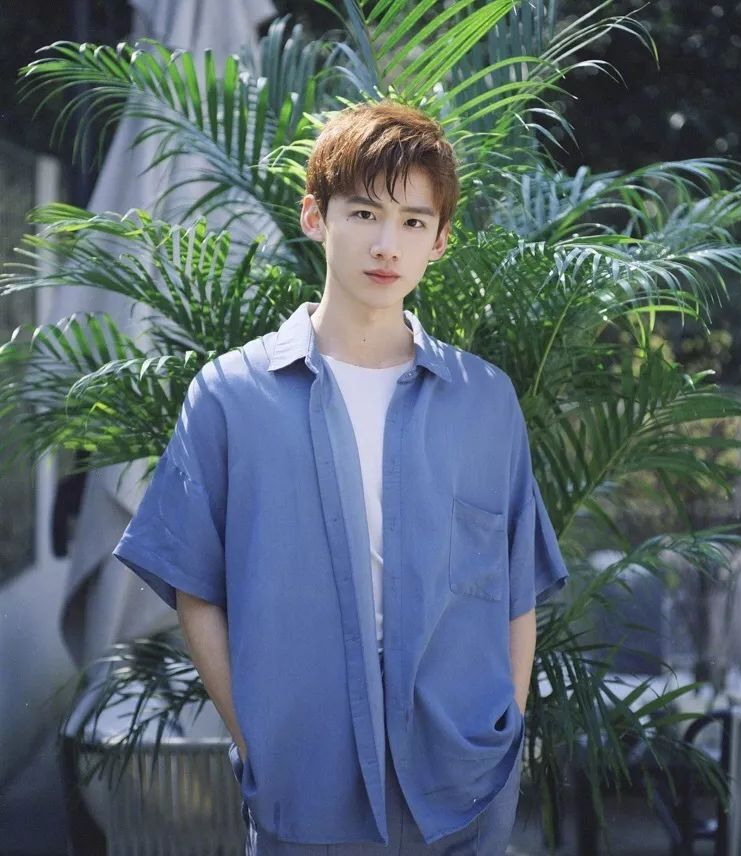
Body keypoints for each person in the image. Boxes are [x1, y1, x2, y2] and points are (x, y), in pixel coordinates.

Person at [113, 99, 570, 855]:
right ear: (314, 216)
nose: (387, 244)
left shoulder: (484, 399)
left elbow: (514, 587)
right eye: (363, 213)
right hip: (303, 784)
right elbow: (196, 587)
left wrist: (508, 725)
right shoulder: (231, 395)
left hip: (464, 786)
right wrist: (255, 740)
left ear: (440, 241)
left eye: (414, 222)